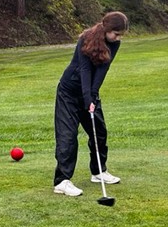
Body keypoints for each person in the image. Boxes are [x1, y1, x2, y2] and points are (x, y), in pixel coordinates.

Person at [53, 11, 129, 196]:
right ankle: (62, 181)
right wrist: (88, 99)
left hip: (89, 92)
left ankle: (98, 171)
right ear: (107, 29)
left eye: (120, 35)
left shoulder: (114, 44)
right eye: (116, 34)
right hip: (69, 92)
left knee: (99, 132)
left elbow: (102, 70)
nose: (118, 38)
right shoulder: (86, 39)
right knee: (67, 136)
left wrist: (92, 97)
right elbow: (85, 70)